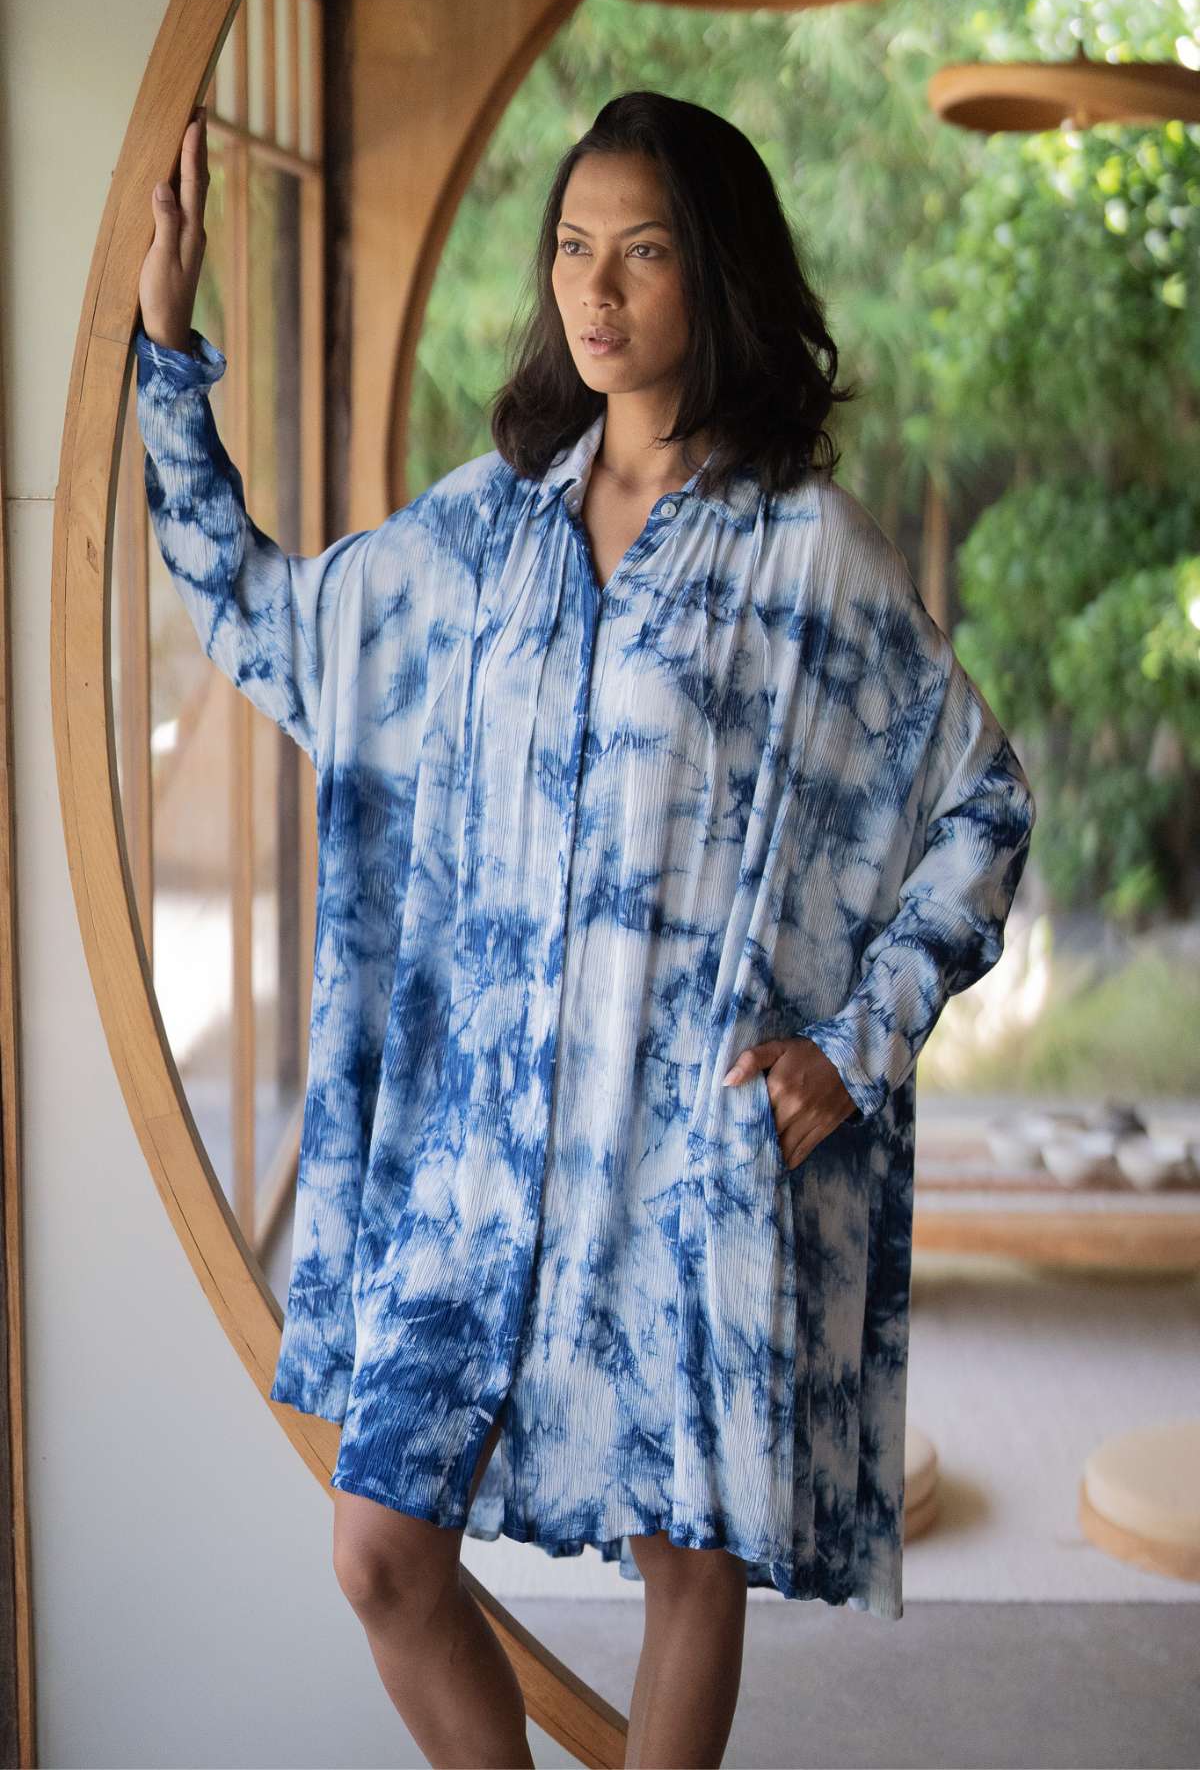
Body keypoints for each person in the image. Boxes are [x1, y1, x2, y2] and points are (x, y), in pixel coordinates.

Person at [136, 90, 1036, 1770]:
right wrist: (165, 344)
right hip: (476, 1166)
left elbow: (981, 806)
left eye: (641, 251)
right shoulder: (482, 533)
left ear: (718, 280)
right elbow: (271, 627)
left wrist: (858, 1047)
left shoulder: (803, 559)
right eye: (572, 245)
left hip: (681, 1167)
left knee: (684, 1569)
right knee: (380, 1548)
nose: (594, 288)